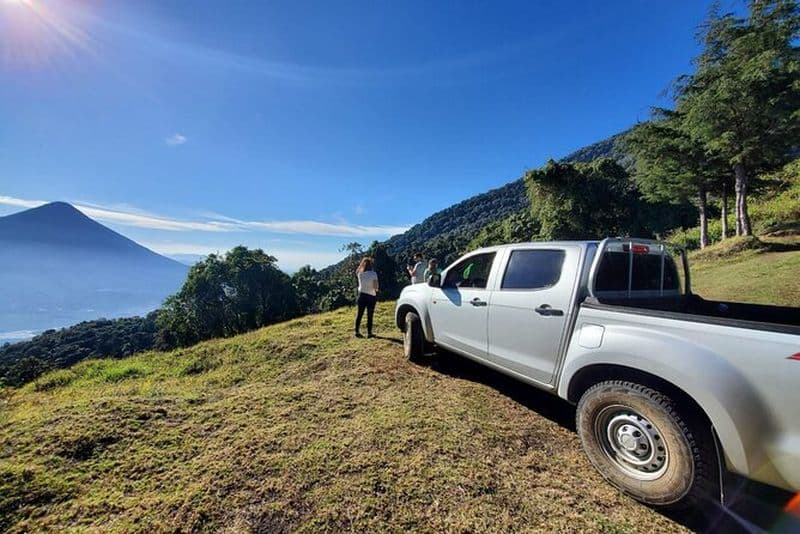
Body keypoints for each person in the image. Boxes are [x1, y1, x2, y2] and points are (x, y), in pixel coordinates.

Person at [355, 256, 379, 338]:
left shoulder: (360, 274)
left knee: (359, 314)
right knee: (370, 315)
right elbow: (376, 287)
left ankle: (357, 331)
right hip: (371, 296)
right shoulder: (373, 274)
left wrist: (361, 264)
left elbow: (357, 271)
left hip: (361, 295)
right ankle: (369, 333)